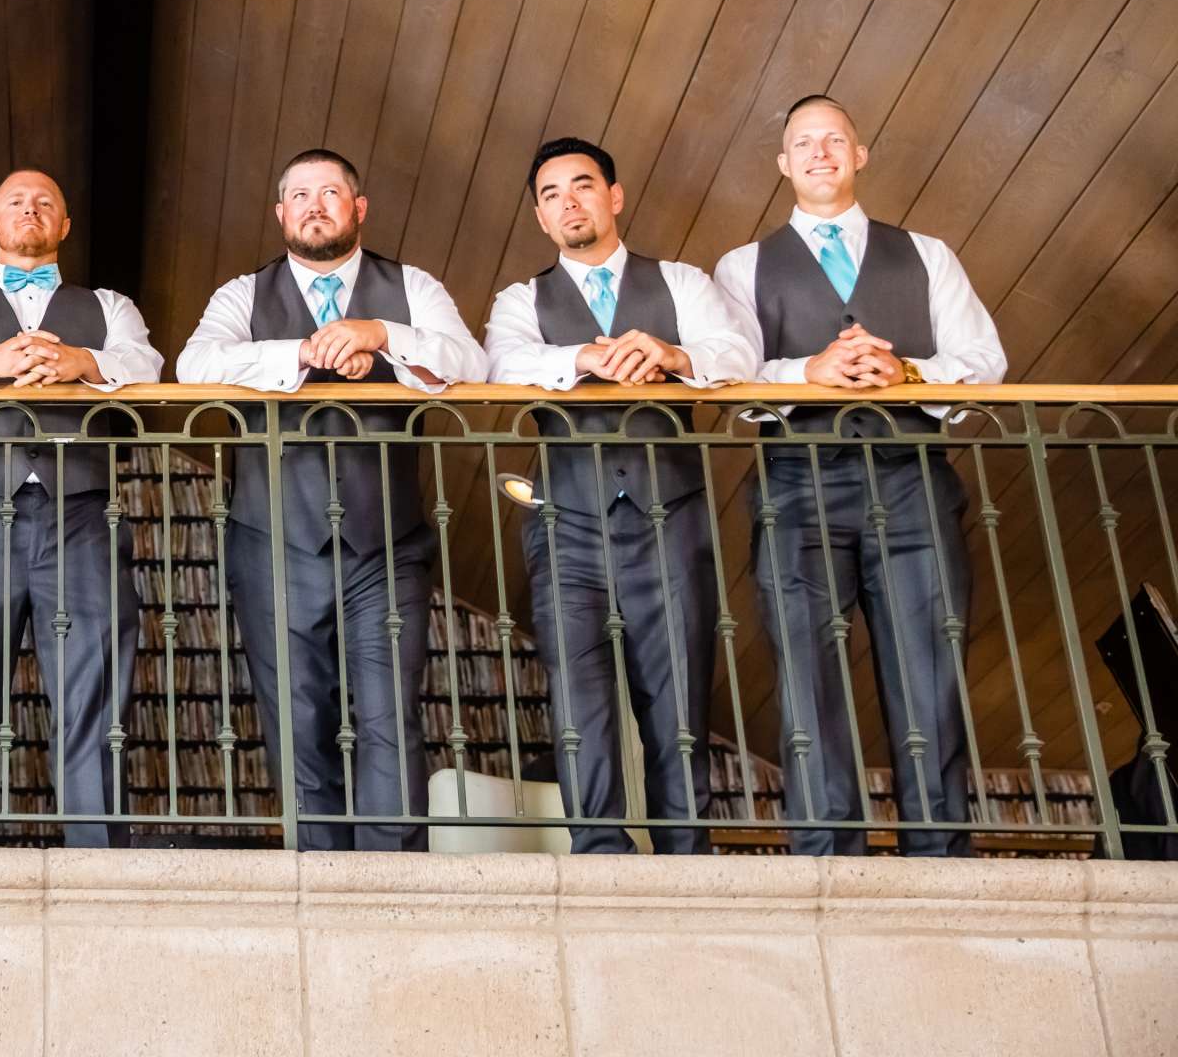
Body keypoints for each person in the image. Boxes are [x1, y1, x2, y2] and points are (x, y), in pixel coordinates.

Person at [713, 95, 1007, 856]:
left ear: (859, 153)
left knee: (929, 670)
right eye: (803, 143)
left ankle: (939, 851)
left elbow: (983, 364)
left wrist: (906, 369)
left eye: (833, 140)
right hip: (796, 486)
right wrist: (810, 371)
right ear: (784, 164)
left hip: (912, 480)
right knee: (808, 672)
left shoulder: (929, 255)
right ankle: (826, 853)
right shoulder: (742, 267)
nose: (819, 152)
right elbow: (730, 378)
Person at [175, 147, 486, 850]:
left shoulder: (413, 288)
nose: (316, 204)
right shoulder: (239, 297)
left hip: (388, 540)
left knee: (391, 717)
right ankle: (318, 883)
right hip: (272, 537)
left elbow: (472, 361)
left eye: (331, 192)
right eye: (300, 194)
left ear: (359, 207)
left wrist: (382, 337)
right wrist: (302, 354)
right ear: (282, 213)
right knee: (296, 718)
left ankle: (392, 887)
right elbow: (195, 365)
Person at [484, 136, 756, 853]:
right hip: (566, 527)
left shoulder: (684, 284)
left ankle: (686, 859)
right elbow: (503, 366)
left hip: (672, 521)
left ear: (614, 196)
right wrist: (585, 357)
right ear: (542, 219)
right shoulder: (521, 300)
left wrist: (672, 354)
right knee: (581, 708)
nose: (568, 203)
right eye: (551, 196)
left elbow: (737, 355)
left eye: (581, 186)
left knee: (680, 708)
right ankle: (600, 856)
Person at [0, 169, 163, 845]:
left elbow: (148, 369)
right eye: (14, 202)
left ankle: (96, 873)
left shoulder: (108, 307)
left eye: (45, 203)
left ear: (64, 226)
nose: (30, 210)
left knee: (94, 700)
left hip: (82, 515)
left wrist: (83, 363)